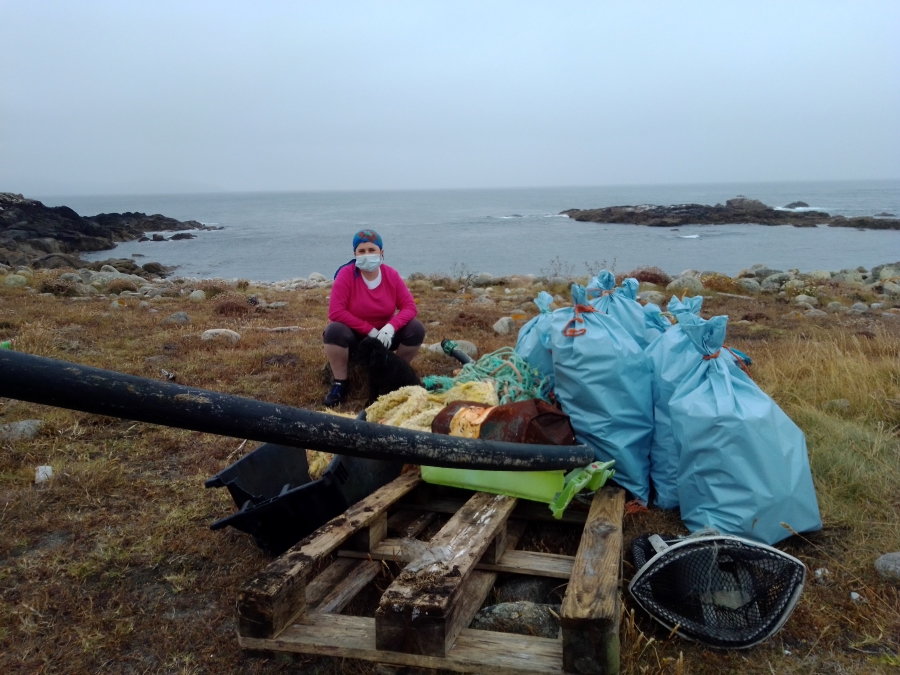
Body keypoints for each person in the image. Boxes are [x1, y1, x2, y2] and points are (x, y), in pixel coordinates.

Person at [322, 229, 425, 406]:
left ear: (381, 253)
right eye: (361, 251)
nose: (367, 255)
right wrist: (370, 330)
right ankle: (340, 383)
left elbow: (409, 307)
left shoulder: (391, 275)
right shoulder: (346, 275)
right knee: (334, 330)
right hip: (355, 337)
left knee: (416, 329)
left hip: (384, 338)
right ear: (355, 254)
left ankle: (395, 371)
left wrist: (390, 327)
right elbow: (336, 312)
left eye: (372, 250)